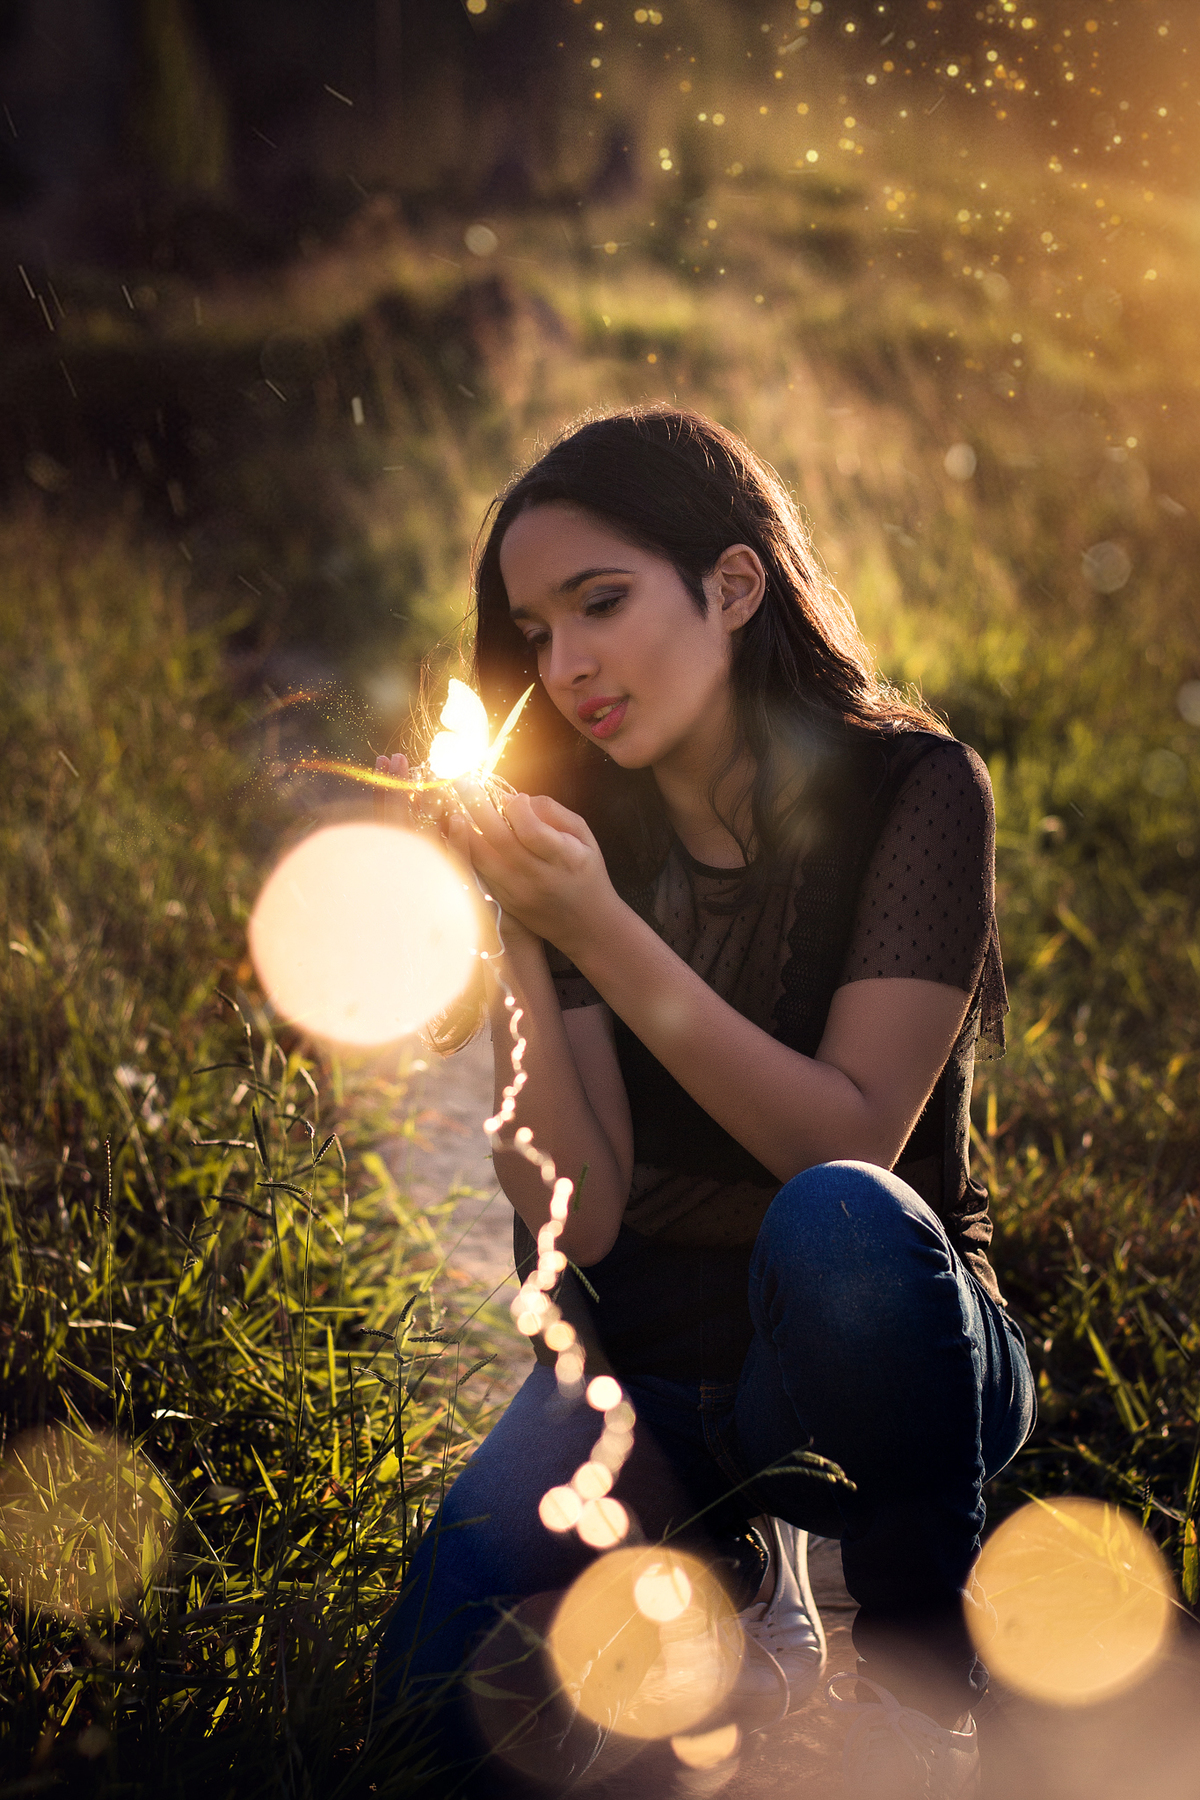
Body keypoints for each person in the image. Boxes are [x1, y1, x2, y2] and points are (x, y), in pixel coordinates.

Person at [378, 407, 1035, 1799]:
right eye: (537, 632)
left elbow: (847, 1140)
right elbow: (589, 1216)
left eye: (599, 604)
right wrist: (522, 924)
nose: (566, 666)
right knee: (428, 1702)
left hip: (882, 1349)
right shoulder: (576, 827)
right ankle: (736, 1569)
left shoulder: (917, 791)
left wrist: (603, 926)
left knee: (845, 1226)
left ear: (732, 587)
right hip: (655, 1376)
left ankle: (920, 1683)